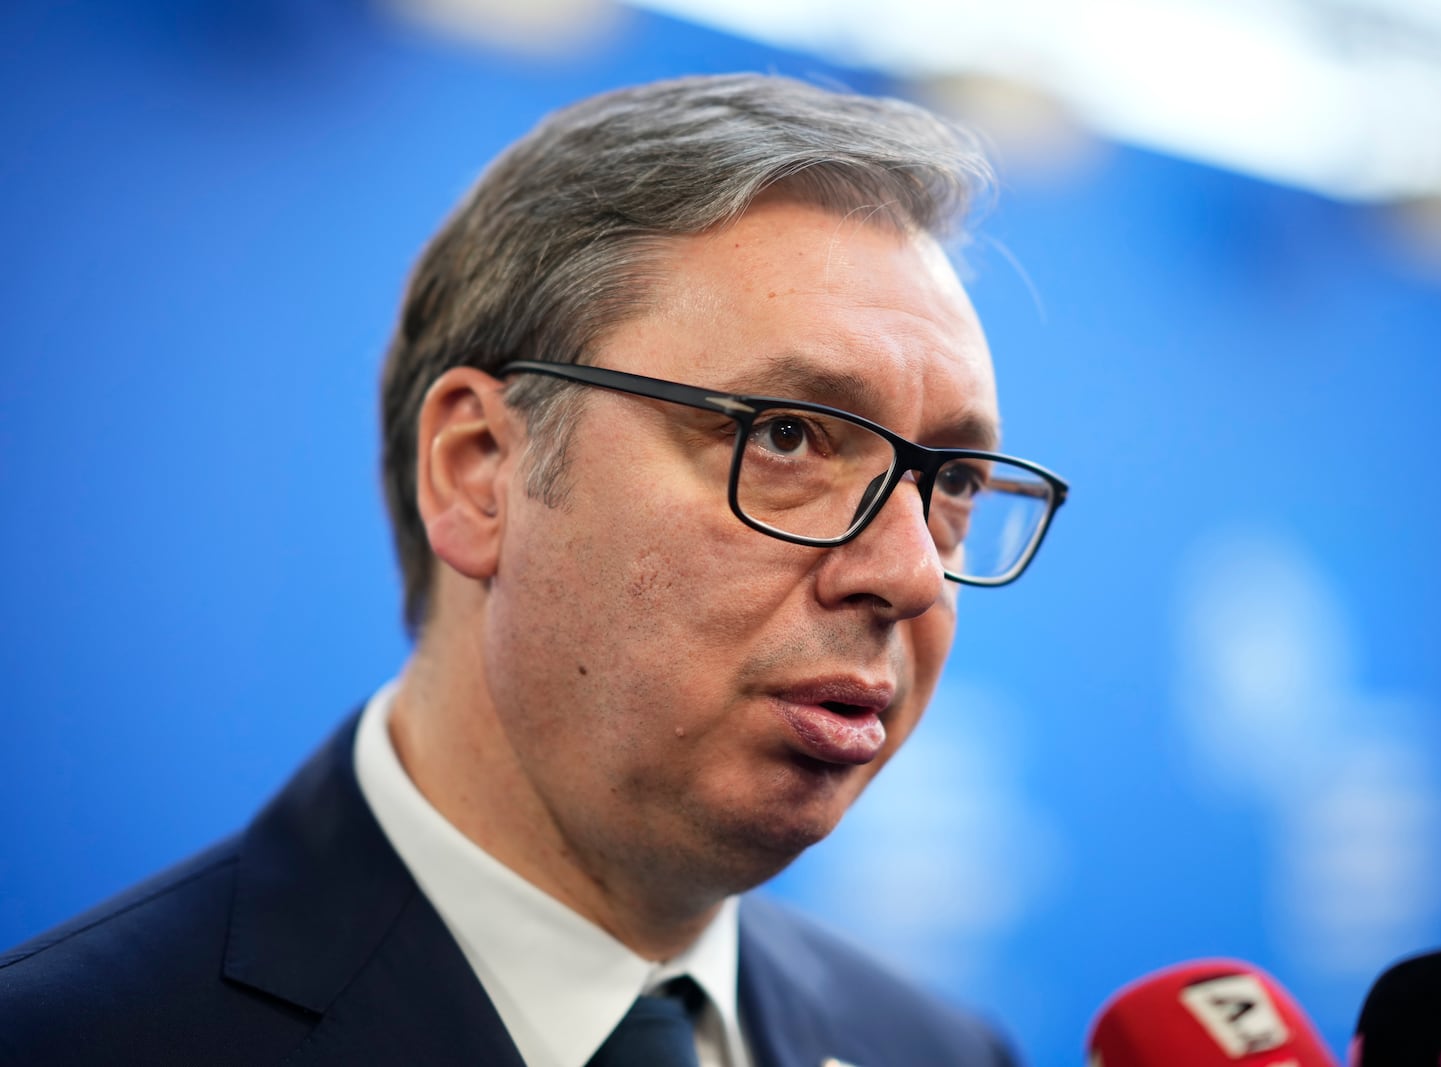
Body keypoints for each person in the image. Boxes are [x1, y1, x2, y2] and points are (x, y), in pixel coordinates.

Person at [0, 73, 1068, 1066]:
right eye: (787, 436)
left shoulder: (935, 1047)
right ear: (479, 472)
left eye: (954, 483)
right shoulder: (75, 1036)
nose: (910, 573)